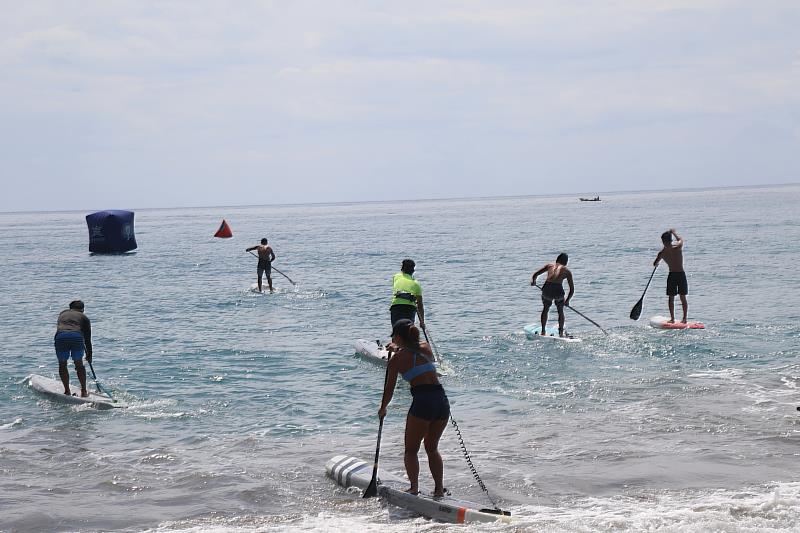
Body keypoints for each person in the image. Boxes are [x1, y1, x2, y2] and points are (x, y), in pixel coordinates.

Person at [379, 318, 449, 497]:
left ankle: (414, 488)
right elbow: (414, 350)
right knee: (432, 448)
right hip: (441, 400)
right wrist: (399, 348)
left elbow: (389, 390)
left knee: (411, 450)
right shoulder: (426, 348)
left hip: (423, 401)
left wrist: (383, 408)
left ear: (399, 338)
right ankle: (439, 489)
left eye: (394, 336)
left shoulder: (396, 360)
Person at [54, 300, 92, 397]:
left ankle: (67, 391)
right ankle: (83, 391)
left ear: (70, 308)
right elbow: (87, 339)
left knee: (62, 364)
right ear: (83, 309)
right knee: (79, 364)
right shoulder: (84, 318)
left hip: (61, 336)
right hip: (76, 337)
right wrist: (89, 355)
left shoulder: (62, 314)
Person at [530, 253, 575, 337]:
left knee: (546, 308)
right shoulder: (567, 271)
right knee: (560, 310)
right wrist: (567, 301)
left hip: (547, 288)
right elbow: (572, 290)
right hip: (558, 290)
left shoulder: (549, 266)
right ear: (566, 262)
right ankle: (561, 333)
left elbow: (535, 274)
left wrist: (533, 282)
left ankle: (543, 331)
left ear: (557, 260)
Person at [653, 228, 688, 323]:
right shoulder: (677, 247)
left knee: (673, 298)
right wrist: (674, 233)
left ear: (663, 242)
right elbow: (681, 240)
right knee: (681, 297)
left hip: (673, 275)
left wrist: (657, 263)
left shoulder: (662, 253)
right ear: (671, 240)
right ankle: (682, 319)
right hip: (680, 274)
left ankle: (674, 319)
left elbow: (655, 263)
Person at [390, 259, 425, 330]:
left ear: (402, 269)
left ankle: (395, 339)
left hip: (396, 306)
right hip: (409, 308)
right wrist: (422, 322)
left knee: (396, 330)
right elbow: (420, 305)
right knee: (408, 330)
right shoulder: (416, 284)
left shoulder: (396, 277)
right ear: (413, 271)